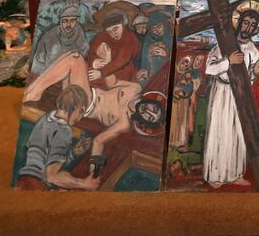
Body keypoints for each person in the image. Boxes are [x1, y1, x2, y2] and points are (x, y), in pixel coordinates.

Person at [22, 51, 166, 174]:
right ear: (152, 102)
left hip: (84, 103)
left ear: (144, 121)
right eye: (153, 110)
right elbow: (111, 83)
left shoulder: (124, 123)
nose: (148, 111)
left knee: (75, 58)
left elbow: (99, 140)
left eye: (149, 117)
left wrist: (94, 170)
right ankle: (33, 92)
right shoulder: (135, 89)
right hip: (85, 90)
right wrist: (106, 61)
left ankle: (33, 93)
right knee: (73, 57)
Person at [202, 0, 259, 188]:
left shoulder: (253, 50)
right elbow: (209, 69)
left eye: (252, 25)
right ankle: (215, 176)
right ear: (239, 22)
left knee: (239, 134)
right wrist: (229, 61)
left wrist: (255, 73)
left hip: (240, 96)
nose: (248, 27)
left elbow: (248, 79)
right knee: (219, 132)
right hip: (222, 93)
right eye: (246, 22)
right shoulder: (223, 44)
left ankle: (235, 174)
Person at [15, 85, 98, 191]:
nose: (80, 117)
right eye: (81, 111)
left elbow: (45, 159)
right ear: (74, 106)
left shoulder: (46, 119)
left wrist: (74, 153)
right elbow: (51, 177)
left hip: (23, 182)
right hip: (36, 186)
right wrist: (83, 184)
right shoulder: (64, 131)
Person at [30, 5, 88, 74]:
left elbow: (84, 51)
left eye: (72, 21)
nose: (69, 25)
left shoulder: (79, 30)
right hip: (46, 71)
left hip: (71, 70)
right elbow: (45, 61)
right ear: (60, 21)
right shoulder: (51, 36)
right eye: (65, 21)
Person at [87, 13, 140, 89]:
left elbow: (121, 61)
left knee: (107, 81)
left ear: (123, 25)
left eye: (115, 29)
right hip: (102, 68)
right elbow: (91, 53)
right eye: (109, 31)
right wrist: (94, 62)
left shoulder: (131, 38)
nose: (113, 34)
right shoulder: (101, 36)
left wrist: (101, 73)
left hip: (123, 71)